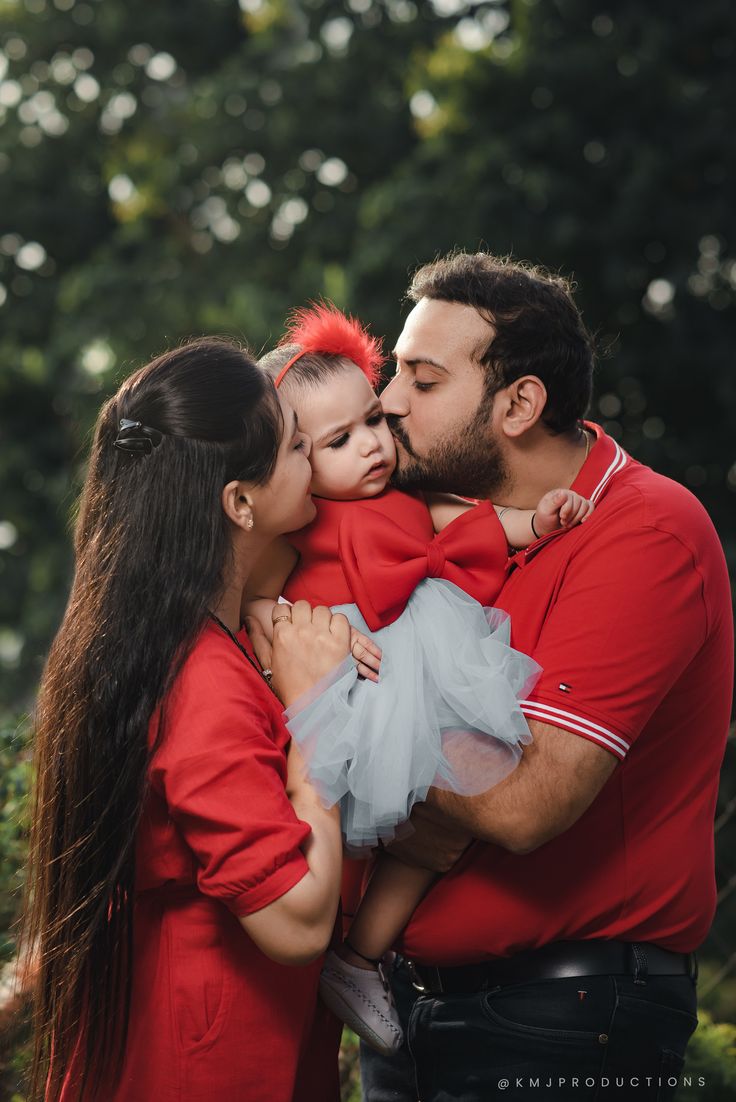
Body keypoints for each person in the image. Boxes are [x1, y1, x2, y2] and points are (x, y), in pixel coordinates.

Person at [354, 251, 734, 1101]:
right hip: (414, 1014)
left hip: (564, 1020)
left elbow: (527, 805)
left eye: (422, 379)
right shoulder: (443, 528)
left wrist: (333, 696)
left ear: (520, 403)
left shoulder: (647, 534)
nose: (386, 402)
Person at [245, 303, 592, 1055]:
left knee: (436, 828)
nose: (373, 444)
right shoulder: (301, 521)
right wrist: (287, 637)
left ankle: (360, 957)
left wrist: (545, 519)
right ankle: (316, 939)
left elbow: (486, 527)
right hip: (357, 679)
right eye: (339, 441)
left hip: (434, 668)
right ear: (298, 457)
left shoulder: (415, 499)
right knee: (332, 820)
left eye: (373, 420)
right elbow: (259, 599)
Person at [22, 339, 352, 1102]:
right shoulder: (202, 679)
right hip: (208, 1062)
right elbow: (297, 924)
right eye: (298, 445)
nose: (314, 456)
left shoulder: (162, 644)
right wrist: (316, 715)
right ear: (239, 501)